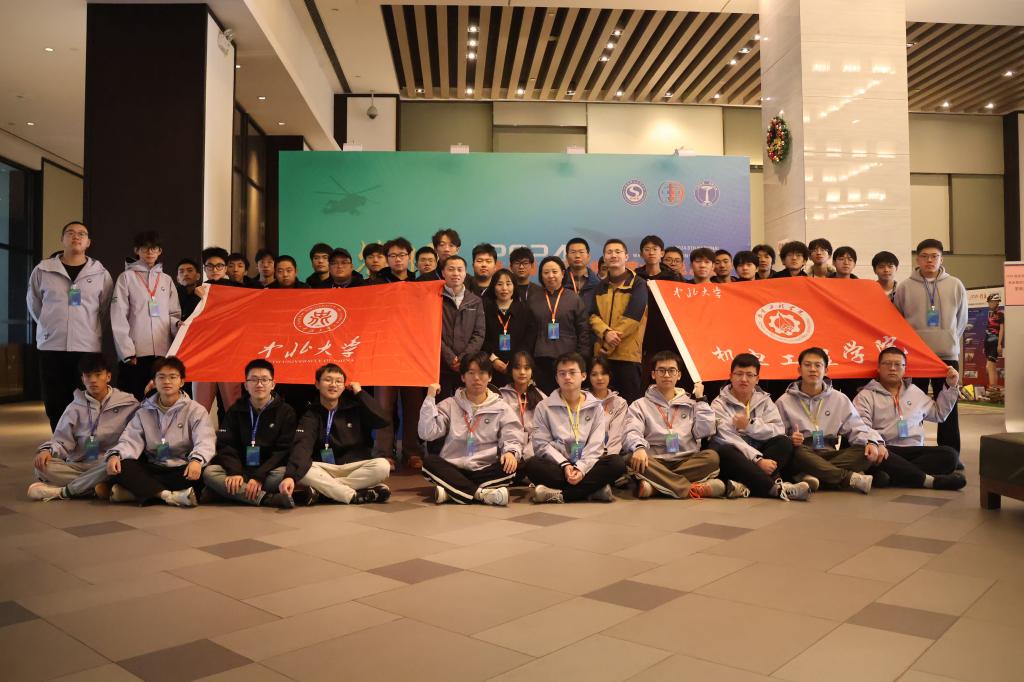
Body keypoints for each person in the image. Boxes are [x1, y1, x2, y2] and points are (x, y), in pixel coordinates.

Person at [28, 220, 115, 430]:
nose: (76, 236)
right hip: (52, 345)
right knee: (54, 399)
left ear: (88, 242)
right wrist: (50, 325)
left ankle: (83, 443)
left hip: (86, 346)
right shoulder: (43, 270)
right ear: (62, 239)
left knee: (86, 399)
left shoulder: (100, 273)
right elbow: (34, 304)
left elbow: (104, 310)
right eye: (70, 233)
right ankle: (60, 442)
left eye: (81, 234)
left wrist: (89, 329)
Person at [104, 356, 215, 507]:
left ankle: (140, 492)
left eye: (172, 377)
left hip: (182, 467)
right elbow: (130, 439)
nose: (167, 381)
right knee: (121, 466)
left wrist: (196, 460)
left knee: (206, 473)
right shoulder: (143, 411)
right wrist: (117, 455)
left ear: (182, 382)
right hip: (154, 467)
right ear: (154, 382)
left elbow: (205, 440)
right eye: (161, 377)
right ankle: (169, 496)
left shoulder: (196, 410)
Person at [28, 354, 139, 501]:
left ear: (108, 376)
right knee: (42, 467)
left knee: (122, 465)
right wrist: (48, 451)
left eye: (98, 375)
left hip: (107, 462)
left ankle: (65, 491)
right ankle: (95, 487)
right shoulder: (74, 407)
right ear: (82, 379)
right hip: (79, 464)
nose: (93, 380)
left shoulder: (128, 404)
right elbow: (61, 440)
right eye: (88, 376)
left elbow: (136, 435)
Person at [418, 352, 525, 505]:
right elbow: (426, 433)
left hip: (485, 468)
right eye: (471, 373)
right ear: (463, 377)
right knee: (430, 462)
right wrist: (430, 398)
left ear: (490, 377)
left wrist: (510, 452)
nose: (476, 378)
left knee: (516, 465)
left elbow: (512, 435)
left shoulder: (501, 407)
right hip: (454, 467)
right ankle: (481, 494)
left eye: (482, 373)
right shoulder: (450, 404)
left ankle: (453, 490)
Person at [894, 239, 968, 459]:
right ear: (917, 259)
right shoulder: (905, 287)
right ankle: (913, 451)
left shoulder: (955, 284)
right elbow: (898, 320)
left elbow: (961, 320)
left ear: (941, 259)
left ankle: (950, 455)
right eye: (924, 256)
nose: (929, 260)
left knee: (949, 407)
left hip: (946, 357)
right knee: (911, 405)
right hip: (915, 357)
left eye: (934, 256)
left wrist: (948, 339)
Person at [853, 347, 966, 490]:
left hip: (914, 450)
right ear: (878, 368)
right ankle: (929, 481)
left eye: (898, 364)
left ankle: (892, 477)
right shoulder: (866, 395)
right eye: (887, 364)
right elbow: (862, 427)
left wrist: (951, 387)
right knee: (870, 456)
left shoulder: (914, 391)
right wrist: (877, 444)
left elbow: (939, 414)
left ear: (905, 369)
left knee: (950, 455)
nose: (892, 368)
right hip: (886, 450)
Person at [622, 351, 728, 499]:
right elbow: (631, 430)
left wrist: (701, 400)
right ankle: (689, 489)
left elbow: (706, 431)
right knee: (630, 458)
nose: (666, 375)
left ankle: (657, 487)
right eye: (661, 370)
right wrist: (638, 448)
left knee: (712, 457)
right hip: (654, 460)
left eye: (671, 370)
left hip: (686, 460)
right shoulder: (639, 405)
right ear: (653, 374)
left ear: (678, 375)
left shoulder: (691, 403)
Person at [280, 363, 392, 504]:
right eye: (328, 380)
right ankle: (353, 494)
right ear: (317, 384)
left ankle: (325, 492)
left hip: (354, 467)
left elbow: (383, 420)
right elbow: (302, 446)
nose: (333, 385)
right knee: (303, 471)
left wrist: (360, 393)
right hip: (325, 469)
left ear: (344, 386)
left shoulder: (354, 408)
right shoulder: (311, 415)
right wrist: (290, 475)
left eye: (338, 381)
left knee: (383, 466)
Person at [774, 347, 879, 494]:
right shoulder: (784, 401)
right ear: (799, 370)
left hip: (829, 451)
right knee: (795, 451)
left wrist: (870, 443)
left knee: (865, 452)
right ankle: (847, 478)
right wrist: (790, 438)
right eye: (807, 365)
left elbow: (857, 427)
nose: (813, 369)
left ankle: (810, 475)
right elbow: (776, 436)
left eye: (818, 365)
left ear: (826, 370)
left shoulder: (839, 399)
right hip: (803, 452)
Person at [710, 354, 811, 501]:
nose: (744, 379)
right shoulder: (718, 404)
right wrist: (757, 460)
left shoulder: (765, 400)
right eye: (739, 374)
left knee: (784, 442)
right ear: (730, 376)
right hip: (737, 457)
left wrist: (749, 426)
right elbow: (726, 437)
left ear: (757, 379)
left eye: (749, 375)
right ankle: (777, 489)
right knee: (725, 450)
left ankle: (744, 487)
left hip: (762, 452)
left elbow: (778, 429)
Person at [526, 352, 624, 503]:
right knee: (532, 465)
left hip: (587, 464)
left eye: (572, 372)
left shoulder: (595, 406)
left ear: (583, 376)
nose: (567, 377)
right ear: (556, 378)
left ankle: (558, 494)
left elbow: (596, 444)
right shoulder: (544, 406)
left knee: (617, 463)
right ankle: (592, 490)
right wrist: (565, 465)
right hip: (557, 465)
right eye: (562, 373)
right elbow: (541, 444)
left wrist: (580, 468)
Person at [202, 358, 298, 508]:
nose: (259, 384)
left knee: (287, 474)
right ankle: (266, 498)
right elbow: (226, 445)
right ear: (246, 385)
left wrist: (259, 476)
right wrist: (235, 472)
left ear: (273, 384)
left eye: (264, 379)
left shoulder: (286, 412)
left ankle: (229, 492)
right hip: (241, 468)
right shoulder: (235, 410)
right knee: (209, 472)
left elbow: (283, 451)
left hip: (269, 471)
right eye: (253, 380)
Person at [372, 237, 426, 469]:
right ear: (387, 259)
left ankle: (412, 451)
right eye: (392, 256)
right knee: (383, 406)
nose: (397, 260)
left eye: (402, 255)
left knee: (414, 406)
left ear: (409, 257)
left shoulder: (420, 283)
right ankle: (384, 453)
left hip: (413, 354)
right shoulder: (376, 284)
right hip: (384, 354)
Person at [111, 230, 182, 401]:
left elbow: (173, 313)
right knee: (133, 400)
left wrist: (177, 325)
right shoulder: (126, 278)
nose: (150, 252)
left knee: (160, 400)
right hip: (136, 354)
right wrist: (127, 352)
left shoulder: (166, 279)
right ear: (137, 250)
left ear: (160, 251)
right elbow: (118, 316)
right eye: (145, 248)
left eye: (154, 248)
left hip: (162, 353)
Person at [591, 239, 648, 403]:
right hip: (602, 358)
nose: (613, 255)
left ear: (626, 256)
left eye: (618, 251)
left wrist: (608, 345)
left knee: (630, 405)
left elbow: (633, 318)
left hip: (627, 356)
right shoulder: (600, 286)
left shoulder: (638, 284)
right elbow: (592, 315)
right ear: (604, 258)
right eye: (609, 252)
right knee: (602, 405)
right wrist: (606, 333)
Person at [528, 256, 592, 394]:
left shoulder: (574, 298)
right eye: (546, 272)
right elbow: (528, 331)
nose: (550, 276)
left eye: (554, 271)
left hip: (568, 359)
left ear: (563, 273)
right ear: (541, 276)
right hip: (541, 359)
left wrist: (582, 357)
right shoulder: (533, 298)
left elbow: (583, 330)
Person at [193, 248, 244, 415]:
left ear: (226, 268)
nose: (215, 269)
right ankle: (198, 433)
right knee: (199, 407)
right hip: (203, 354)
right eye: (210, 266)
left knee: (233, 405)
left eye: (219, 266)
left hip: (230, 353)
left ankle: (232, 433)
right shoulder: (196, 291)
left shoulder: (239, 291)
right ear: (204, 268)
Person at [439, 255, 486, 399]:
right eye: (451, 269)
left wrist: (463, 359)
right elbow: (430, 333)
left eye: (460, 270)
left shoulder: (475, 301)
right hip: (441, 365)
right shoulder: (435, 298)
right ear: (443, 273)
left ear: (465, 273)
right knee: (441, 407)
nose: (455, 273)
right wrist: (450, 358)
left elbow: (479, 334)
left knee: (467, 406)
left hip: (467, 366)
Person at [483, 269, 535, 388]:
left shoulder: (525, 310)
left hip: (519, 368)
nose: (504, 288)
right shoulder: (485, 310)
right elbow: (481, 337)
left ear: (514, 286)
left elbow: (529, 339)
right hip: (491, 367)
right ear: (493, 287)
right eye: (499, 284)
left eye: (508, 284)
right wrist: (493, 359)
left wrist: (516, 362)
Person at [497, 351, 546, 461]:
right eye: (517, 368)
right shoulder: (500, 396)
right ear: (510, 370)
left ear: (532, 371)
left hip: (533, 456)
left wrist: (527, 454)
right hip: (507, 453)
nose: (522, 372)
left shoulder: (542, 398)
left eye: (527, 368)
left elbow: (543, 433)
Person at [588, 357, 627, 459]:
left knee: (617, 463)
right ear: (587, 376)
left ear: (609, 375)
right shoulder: (581, 399)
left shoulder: (620, 403)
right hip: (584, 454)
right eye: (594, 374)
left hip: (608, 456)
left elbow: (617, 435)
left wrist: (608, 456)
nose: (599, 378)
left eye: (604, 373)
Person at [563, 237, 602, 311]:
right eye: (573, 252)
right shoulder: (559, 283)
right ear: (567, 257)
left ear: (588, 256)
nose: (577, 256)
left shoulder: (599, 284)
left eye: (581, 252)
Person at [985, 293, 1004, 401]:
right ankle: (994, 393)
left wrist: (999, 344)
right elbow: (988, 329)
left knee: (991, 366)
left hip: (995, 341)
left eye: (991, 302)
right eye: (989, 302)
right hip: (987, 342)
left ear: (996, 302)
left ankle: (993, 393)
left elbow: (1001, 330)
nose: (989, 304)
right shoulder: (990, 314)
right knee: (989, 367)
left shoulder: (1001, 314)